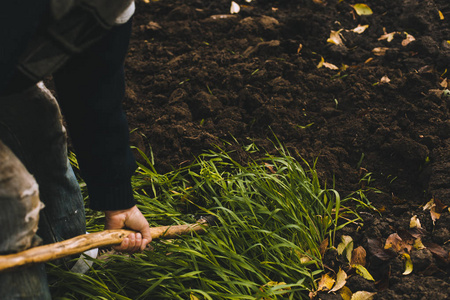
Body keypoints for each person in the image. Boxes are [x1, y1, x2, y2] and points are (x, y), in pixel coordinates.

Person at [0, 1, 151, 298]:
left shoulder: (111, 7)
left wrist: (117, 199)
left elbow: (95, 95)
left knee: (37, 117)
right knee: (12, 194)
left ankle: (72, 264)